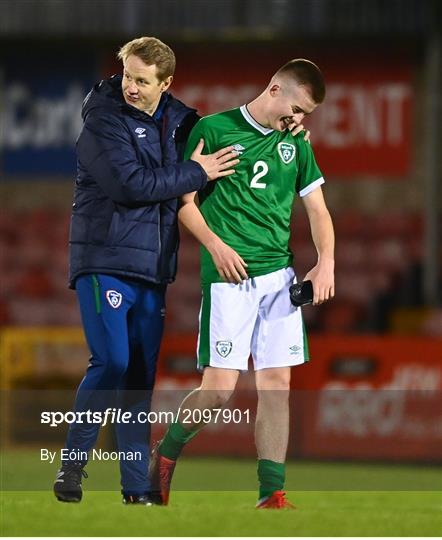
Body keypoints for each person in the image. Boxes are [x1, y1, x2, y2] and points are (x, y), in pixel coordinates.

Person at [53, 36, 239, 505]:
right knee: (112, 360)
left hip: (153, 267)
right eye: (126, 75)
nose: (129, 87)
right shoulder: (103, 120)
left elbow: (234, 135)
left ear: (166, 83)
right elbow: (131, 186)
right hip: (103, 260)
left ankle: (136, 488)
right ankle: (72, 467)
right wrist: (196, 173)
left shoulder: (181, 122)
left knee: (138, 377)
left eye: (141, 80)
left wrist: (289, 129)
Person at [149, 59, 335, 509]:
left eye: (306, 115)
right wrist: (215, 245)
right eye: (295, 109)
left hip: (279, 278)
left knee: (277, 384)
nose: (299, 121)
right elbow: (183, 202)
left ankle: (271, 491)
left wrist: (326, 261)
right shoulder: (213, 130)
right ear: (274, 89)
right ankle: (163, 456)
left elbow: (318, 212)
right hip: (230, 276)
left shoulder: (297, 145)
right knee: (219, 389)